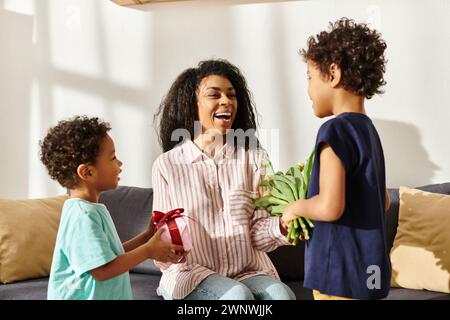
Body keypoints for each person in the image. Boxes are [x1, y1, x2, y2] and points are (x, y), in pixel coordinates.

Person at [152, 59, 296, 300]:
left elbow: (258, 232)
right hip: (193, 273)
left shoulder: (254, 160)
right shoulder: (167, 165)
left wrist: (282, 225)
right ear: (193, 104)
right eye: (214, 95)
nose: (226, 101)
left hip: (248, 270)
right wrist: (168, 248)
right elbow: (163, 240)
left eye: (232, 95)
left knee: (283, 297)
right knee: (237, 298)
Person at [282, 18, 391, 300]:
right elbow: (385, 201)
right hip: (370, 273)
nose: (307, 89)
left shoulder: (335, 129)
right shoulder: (368, 131)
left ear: (333, 73)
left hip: (339, 276)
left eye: (309, 77)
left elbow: (330, 206)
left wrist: (295, 207)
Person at [40, 115, 184, 300]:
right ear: (87, 172)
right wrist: (148, 250)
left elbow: (110, 256)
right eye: (113, 158)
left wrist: (146, 237)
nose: (119, 163)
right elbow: (102, 270)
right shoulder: (82, 215)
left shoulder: (92, 209)